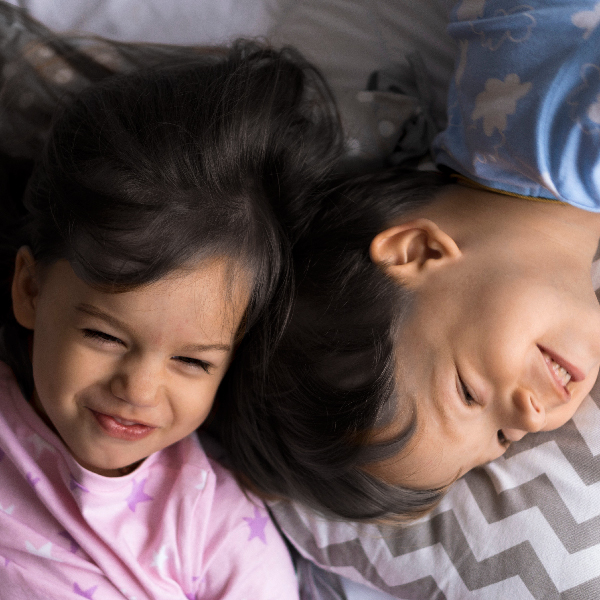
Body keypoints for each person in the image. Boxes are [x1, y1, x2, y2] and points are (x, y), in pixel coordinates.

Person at [0, 5, 341, 596]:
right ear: (30, 289)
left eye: (193, 361)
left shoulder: (217, 526)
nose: (138, 389)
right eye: (104, 337)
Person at [215, 0, 600, 522]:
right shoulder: (493, 107)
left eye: (469, 392)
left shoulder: (570, 132)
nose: (529, 417)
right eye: (502, 438)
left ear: (417, 251)